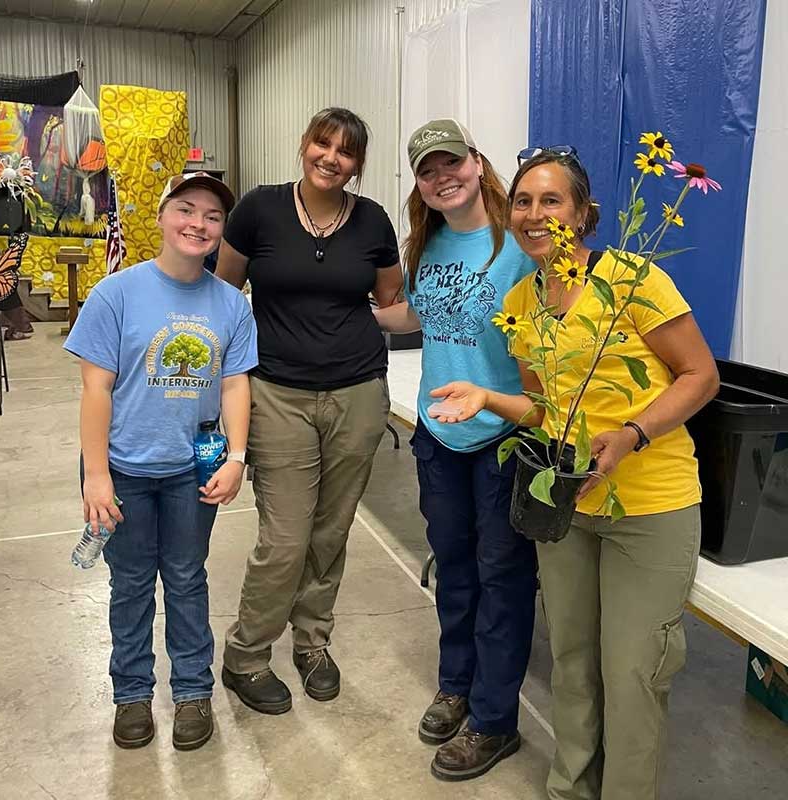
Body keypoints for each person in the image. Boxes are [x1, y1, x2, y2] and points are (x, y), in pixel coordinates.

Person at [430, 148, 719, 799]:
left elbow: (702, 376)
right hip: (568, 507)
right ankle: (570, 788)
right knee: (572, 663)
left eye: (551, 200)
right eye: (524, 202)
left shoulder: (632, 278)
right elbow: (545, 408)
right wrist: (489, 399)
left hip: (649, 510)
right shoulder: (520, 302)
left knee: (632, 671)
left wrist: (635, 432)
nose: (535, 214)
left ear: (583, 214)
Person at [215, 107, 403, 714]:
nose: (332, 158)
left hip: (357, 394)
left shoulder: (372, 221)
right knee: (286, 537)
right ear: (305, 146)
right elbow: (224, 295)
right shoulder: (260, 210)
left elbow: (390, 299)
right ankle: (246, 655)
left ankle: (313, 640)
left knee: (332, 529)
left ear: (358, 164)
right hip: (277, 395)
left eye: (346, 152)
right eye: (323, 144)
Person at [64, 172, 258, 751]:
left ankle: (194, 691)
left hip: (189, 470)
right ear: (162, 216)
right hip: (122, 469)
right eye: (186, 210)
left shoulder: (230, 303)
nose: (198, 224)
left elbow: (234, 386)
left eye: (212, 216)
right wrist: (96, 477)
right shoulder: (116, 294)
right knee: (129, 584)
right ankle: (131, 695)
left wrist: (238, 457)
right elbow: (95, 390)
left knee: (186, 577)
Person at [374, 119, 538, 782]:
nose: (443, 177)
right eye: (427, 169)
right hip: (439, 434)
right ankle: (456, 684)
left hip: (503, 434)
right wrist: (336, 303)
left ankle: (496, 721)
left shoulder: (518, 243)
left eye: (452, 163)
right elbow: (415, 314)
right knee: (453, 563)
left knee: (504, 578)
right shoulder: (430, 242)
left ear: (477, 161)